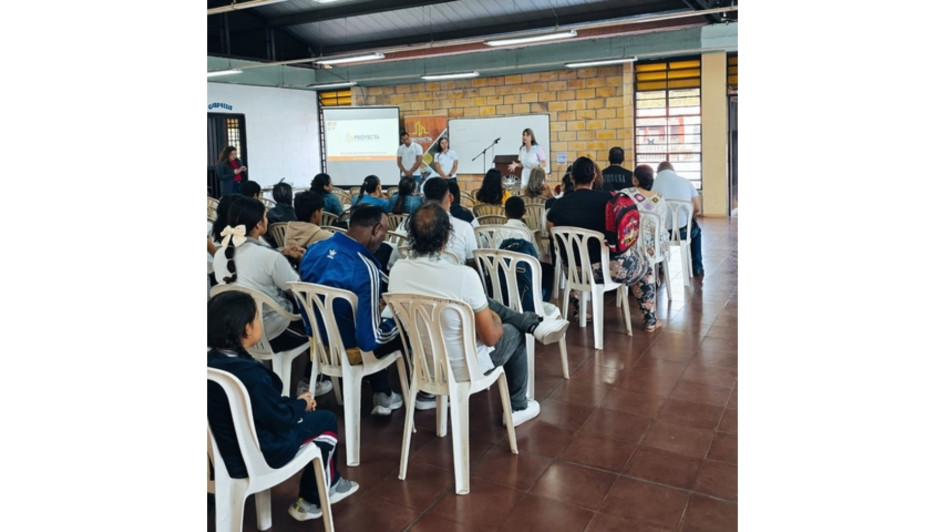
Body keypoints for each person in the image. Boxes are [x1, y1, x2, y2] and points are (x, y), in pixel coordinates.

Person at [388, 203, 570, 426]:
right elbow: (491, 337)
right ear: (447, 236)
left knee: (479, 302)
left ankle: (530, 322)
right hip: (466, 367)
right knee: (514, 333)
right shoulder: (463, 275)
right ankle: (518, 406)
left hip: (426, 365)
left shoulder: (397, 272)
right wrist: (493, 317)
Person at [206, 291, 359, 522]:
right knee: (326, 423)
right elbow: (279, 419)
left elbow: (261, 408)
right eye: (257, 318)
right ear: (246, 329)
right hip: (260, 453)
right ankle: (317, 495)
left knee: (302, 414)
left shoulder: (212, 364)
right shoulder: (251, 376)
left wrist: (294, 404)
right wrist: (301, 404)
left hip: (221, 455)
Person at [300, 205, 434, 414]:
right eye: (385, 233)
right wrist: (399, 322)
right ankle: (388, 395)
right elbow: (368, 340)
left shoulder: (314, 249)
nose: (385, 238)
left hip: (318, 346)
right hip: (353, 351)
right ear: (377, 229)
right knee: (401, 325)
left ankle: (380, 392)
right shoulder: (365, 268)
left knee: (363, 318)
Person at [213, 197, 308, 352]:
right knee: (311, 324)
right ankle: (294, 376)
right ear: (259, 223)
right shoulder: (270, 257)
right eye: (265, 216)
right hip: (272, 332)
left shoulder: (220, 254)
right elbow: (299, 291)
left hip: (235, 330)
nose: (267, 219)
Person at [545, 156, 612, 322]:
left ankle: (579, 308)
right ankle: (650, 318)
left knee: (574, 256)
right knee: (644, 267)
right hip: (603, 269)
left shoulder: (557, 205)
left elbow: (552, 232)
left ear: (572, 177)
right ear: (594, 176)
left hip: (573, 270)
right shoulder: (607, 201)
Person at [652, 161, 704, 277]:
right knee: (696, 232)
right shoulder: (685, 182)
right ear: (673, 170)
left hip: (660, 235)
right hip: (683, 232)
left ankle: (659, 265)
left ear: (658, 172)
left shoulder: (653, 185)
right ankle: (697, 267)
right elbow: (697, 209)